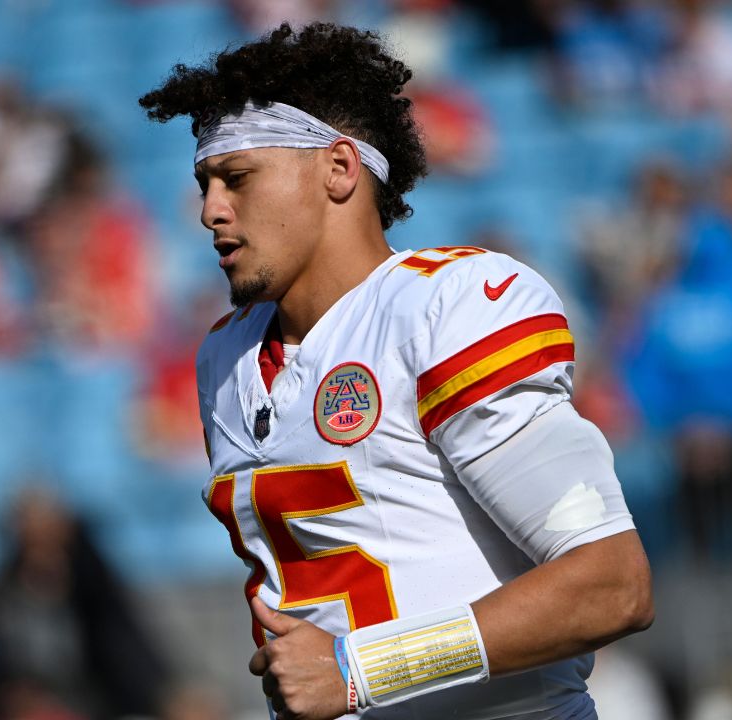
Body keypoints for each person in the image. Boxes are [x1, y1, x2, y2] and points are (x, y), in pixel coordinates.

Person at [139, 23, 654, 720]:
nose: (211, 211)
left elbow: (611, 585)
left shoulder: (447, 308)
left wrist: (360, 669)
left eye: (238, 178)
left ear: (340, 169)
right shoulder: (223, 359)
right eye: (204, 183)